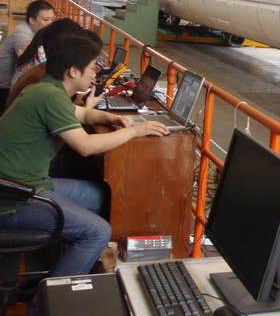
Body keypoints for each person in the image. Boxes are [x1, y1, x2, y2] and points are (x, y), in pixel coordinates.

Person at [0, 33, 169, 286]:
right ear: (73, 71)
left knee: (103, 195)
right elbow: (86, 146)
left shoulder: (45, 88)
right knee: (98, 231)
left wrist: (112, 119)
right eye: (91, 69)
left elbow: (83, 114)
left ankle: (67, 261)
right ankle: (50, 303)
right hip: (14, 198)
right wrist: (134, 130)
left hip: (28, 183)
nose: (95, 76)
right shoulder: (49, 96)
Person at [0, 0, 54, 110]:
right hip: (4, 90)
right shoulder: (22, 32)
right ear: (32, 20)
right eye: (46, 19)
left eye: (52, 19)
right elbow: (27, 57)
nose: (50, 23)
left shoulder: (38, 32)